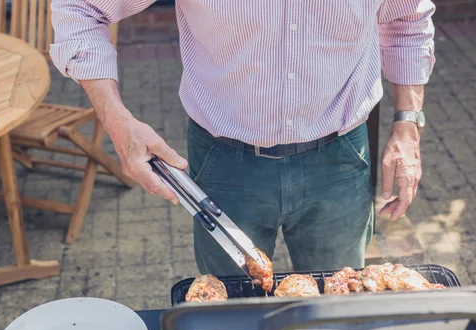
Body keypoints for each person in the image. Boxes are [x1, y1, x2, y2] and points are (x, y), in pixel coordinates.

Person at [49, 1, 435, 274]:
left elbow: (407, 20)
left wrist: (407, 125)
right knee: (229, 311)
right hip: (225, 163)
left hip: (341, 160)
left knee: (338, 303)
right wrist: (117, 121)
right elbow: (81, 8)